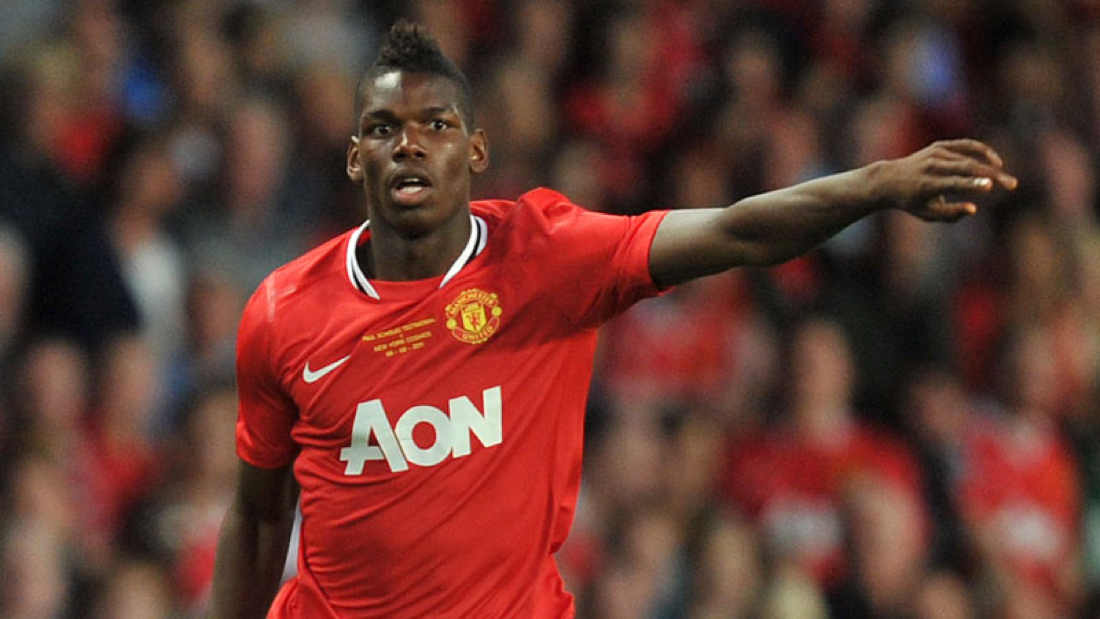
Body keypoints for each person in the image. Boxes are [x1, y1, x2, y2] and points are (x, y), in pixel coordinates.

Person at [207, 21, 1016, 619]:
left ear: (476, 152)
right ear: (356, 156)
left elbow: (736, 230)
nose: (409, 145)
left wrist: (877, 184)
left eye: (436, 125)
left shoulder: (545, 255)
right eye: (385, 128)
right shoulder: (283, 311)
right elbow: (258, 513)